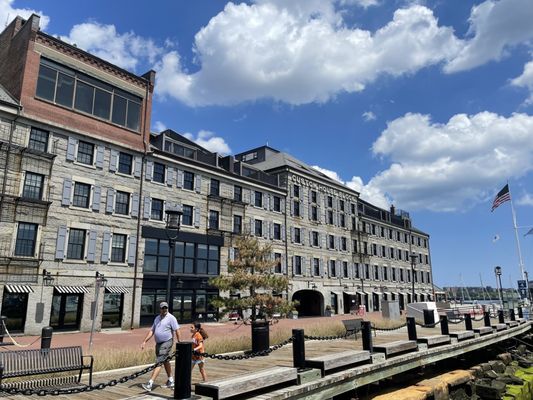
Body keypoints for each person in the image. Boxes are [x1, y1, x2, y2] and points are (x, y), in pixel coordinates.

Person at [141, 301, 181, 391]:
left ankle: (150, 383)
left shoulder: (171, 318)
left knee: (159, 361)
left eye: (166, 307)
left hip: (167, 342)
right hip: (158, 343)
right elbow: (152, 331)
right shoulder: (157, 318)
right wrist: (144, 341)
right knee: (165, 360)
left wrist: (179, 341)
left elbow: (177, 330)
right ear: (160, 309)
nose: (164, 309)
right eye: (163, 308)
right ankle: (171, 380)